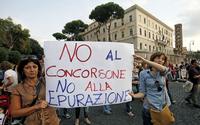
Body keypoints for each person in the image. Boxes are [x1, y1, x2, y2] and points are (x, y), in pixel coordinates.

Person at [10, 56, 60, 125]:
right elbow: (14, 113)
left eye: (34, 67)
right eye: (27, 67)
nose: (32, 70)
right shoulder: (17, 88)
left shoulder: (48, 82)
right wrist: (36, 107)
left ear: (38, 68)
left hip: (53, 122)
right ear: (22, 70)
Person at [129, 52, 172, 125]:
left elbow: (162, 68)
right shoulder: (143, 73)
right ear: (152, 59)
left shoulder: (163, 72)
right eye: (158, 58)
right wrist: (134, 95)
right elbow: (142, 93)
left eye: (163, 59)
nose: (161, 60)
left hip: (162, 107)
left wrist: (144, 60)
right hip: (148, 108)